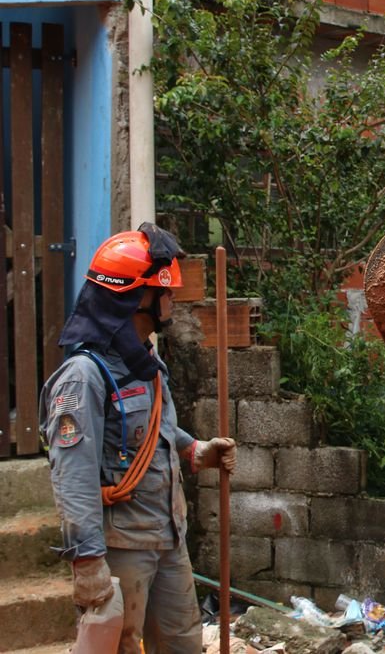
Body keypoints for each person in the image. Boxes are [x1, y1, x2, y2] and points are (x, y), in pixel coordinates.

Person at [39, 224, 238, 654]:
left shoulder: (146, 358)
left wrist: (194, 450)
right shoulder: (83, 378)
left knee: (184, 645)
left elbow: (155, 428)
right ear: (135, 298)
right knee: (122, 648)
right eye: (163, 292)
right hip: (121, 547)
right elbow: (72, 477)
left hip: (168, 534)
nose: (172, 299)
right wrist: (88, 562)